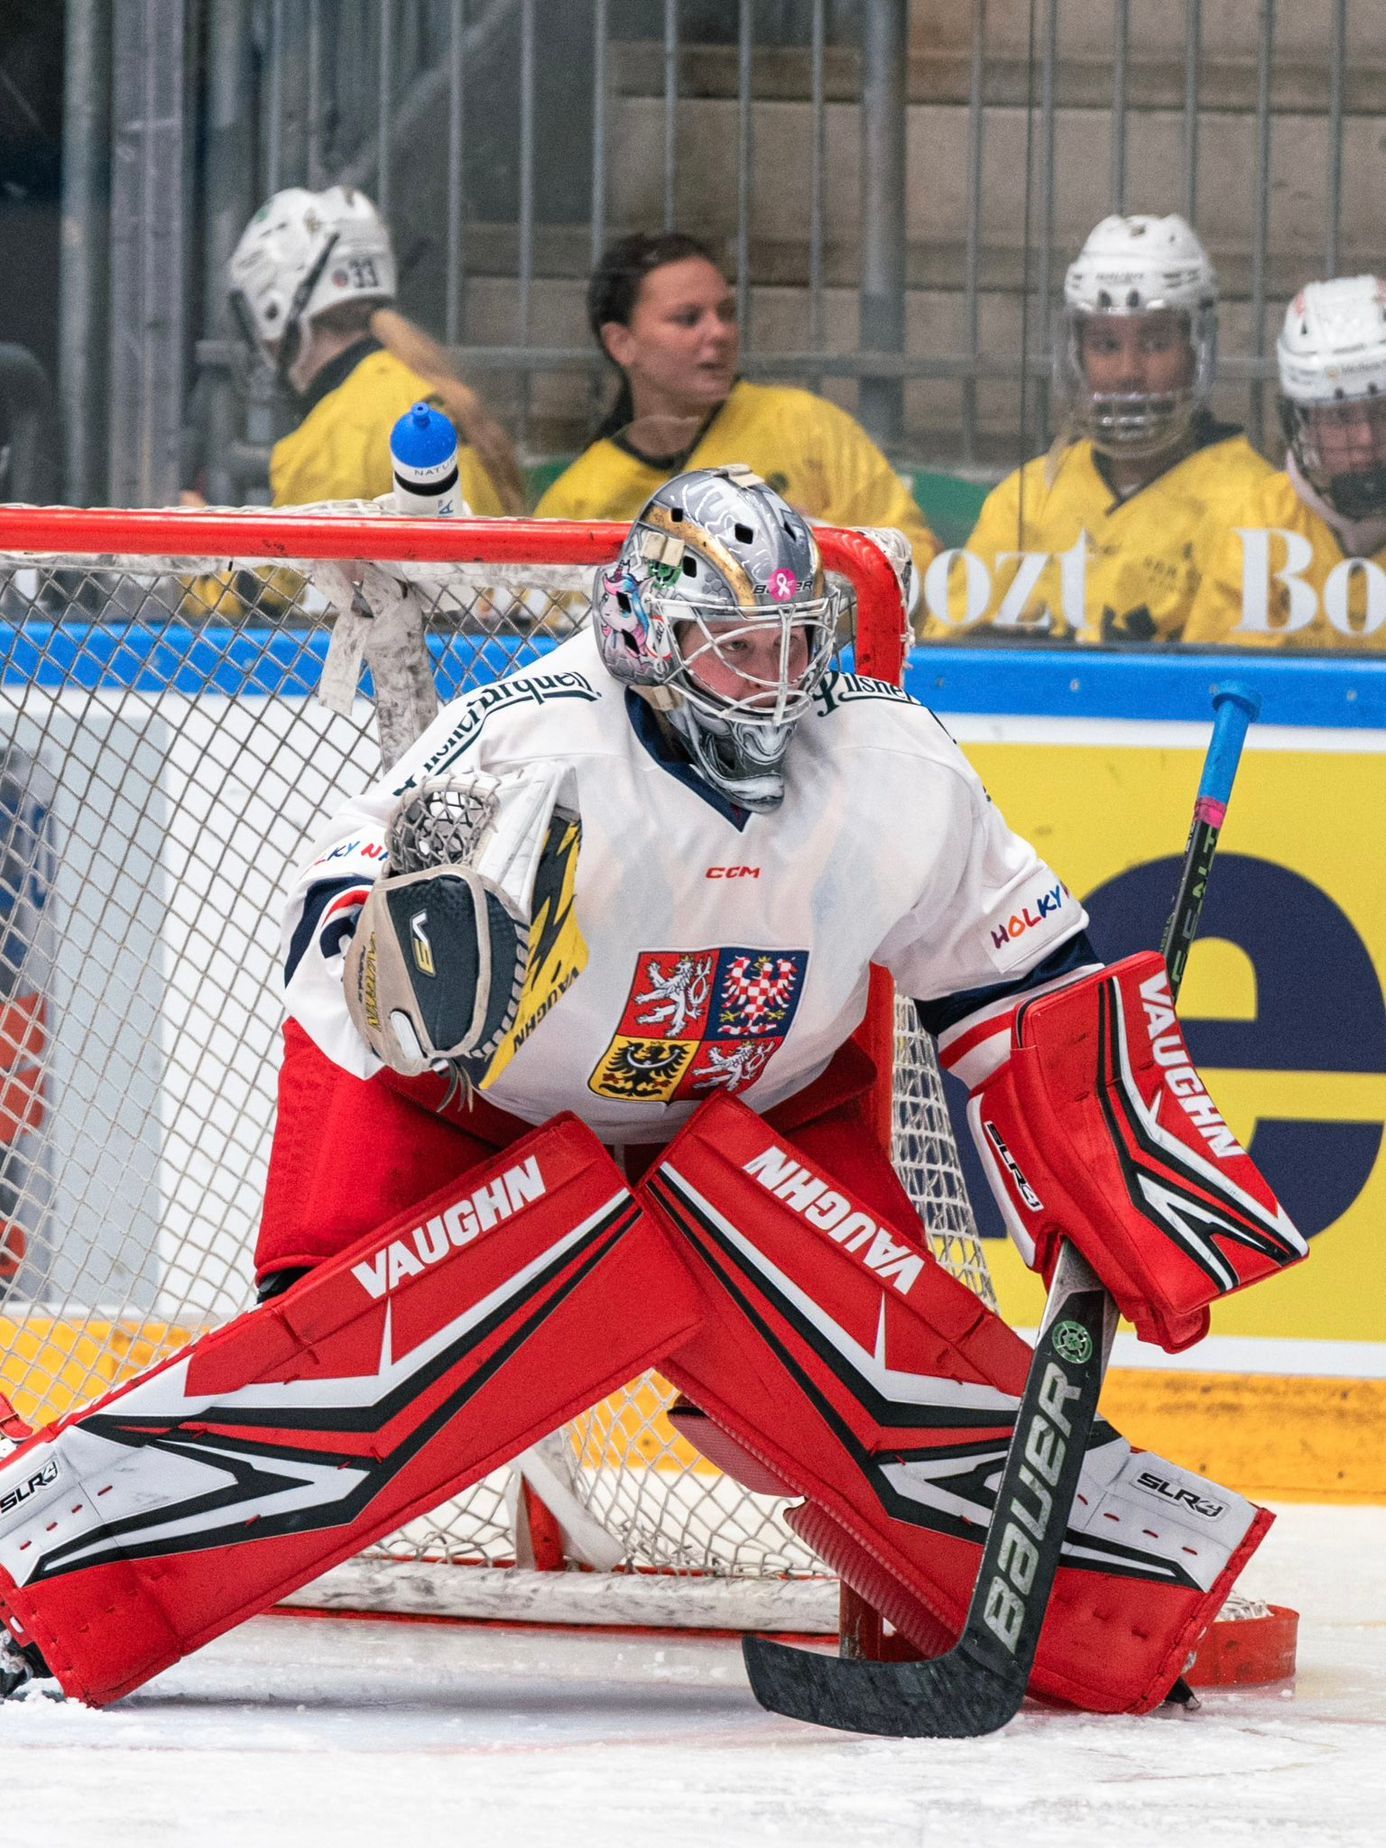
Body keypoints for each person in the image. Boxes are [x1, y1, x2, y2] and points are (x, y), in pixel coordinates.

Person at [0, 469, 1305, 1716]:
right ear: (645, 636)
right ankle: (38, 1550)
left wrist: (1095, 1153)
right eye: (741, 648)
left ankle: (1110, 1600)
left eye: (799, 644)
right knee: (343, 1391)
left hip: (764, 1108)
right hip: (471, 1114)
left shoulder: (892, 768)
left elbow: (1017, 986)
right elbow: (342, 923)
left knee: (875, 1381)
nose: (781, 683)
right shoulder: (528, 748)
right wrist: (410, 954)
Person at [925, 214, 1271, 643]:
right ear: (1077, 354)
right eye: (1106, 345)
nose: (1128, 371)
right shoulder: (1029, 495)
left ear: (1196, 350)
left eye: (1155, 343)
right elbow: (948, 657)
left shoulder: (1256, 503)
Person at [536, 230, 938, 589]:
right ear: (621, 343)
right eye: (688, 318)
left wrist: (818, 545)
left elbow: (912, 559)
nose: (720, 332)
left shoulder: (806, 424)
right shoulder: (579, 498)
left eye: (726, 314)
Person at [227, 184, 523, 514]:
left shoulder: (335, 440)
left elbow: (287, 566)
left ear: (274, 307)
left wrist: (206, 551)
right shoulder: (425, 386)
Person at [1185, 273, 1386, 651]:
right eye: (1341, 417)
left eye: (1384, 412)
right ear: (1303, 422)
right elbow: (1223, 679)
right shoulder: (1261, 521)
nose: (1365, 441)